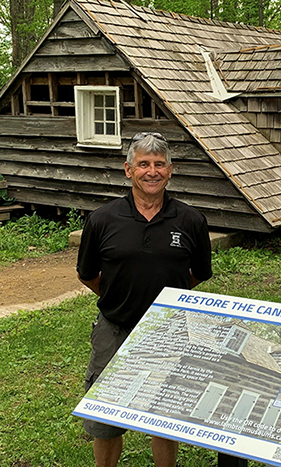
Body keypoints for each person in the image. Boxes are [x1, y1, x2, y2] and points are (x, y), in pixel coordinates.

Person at [77, 132, 213, 467]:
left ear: (170, 170)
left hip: (170, 331)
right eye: (143, 164)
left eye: (159, 164)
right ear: (128, 170)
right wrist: (117, 295)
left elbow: (199, 273)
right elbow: (87, 273)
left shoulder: (191, 220)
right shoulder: (102, 219)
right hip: (115, 328)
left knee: (164, 413)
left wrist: (165, 300)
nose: (151, 171)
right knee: (106, 417)